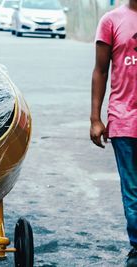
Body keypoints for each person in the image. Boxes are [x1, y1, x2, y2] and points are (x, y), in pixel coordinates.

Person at [90, 0, 137, 266]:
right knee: (132, 189)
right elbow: (100, 70)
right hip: (125, 121)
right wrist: (95, 118)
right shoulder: (111, 20)